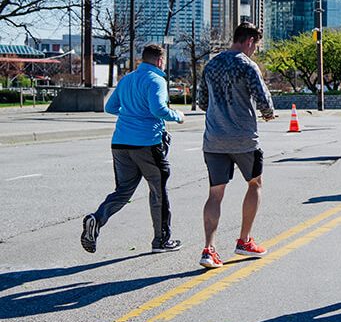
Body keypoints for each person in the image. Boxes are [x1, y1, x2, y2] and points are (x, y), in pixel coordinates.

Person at [81, 44, 184, 255]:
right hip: (147, 143)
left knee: (123, 191)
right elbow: (158, 109)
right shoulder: (157, 80)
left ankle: (97, 219)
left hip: (120, 143)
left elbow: (110, 107)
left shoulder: (127, 79)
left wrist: (131, 113)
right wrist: (177, 116)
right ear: (159, 61)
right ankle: (161, 241)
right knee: (158, 192)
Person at [195, 23, 276, 269]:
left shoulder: (211, 65)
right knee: (255, 184)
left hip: (214, 139)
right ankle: (244, 240)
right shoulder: (247, 65)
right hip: (243, 139)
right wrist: (268, 113)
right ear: (250, 41)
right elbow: (263, 99)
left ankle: (209, 249)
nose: (255, 51)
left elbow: (201, 101)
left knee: (215, 194)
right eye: (256, 46)